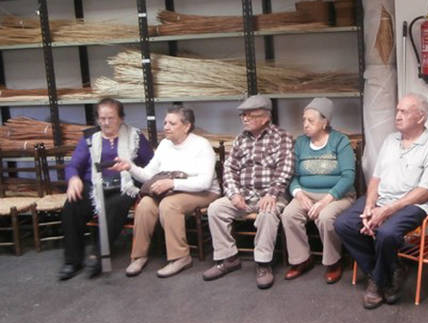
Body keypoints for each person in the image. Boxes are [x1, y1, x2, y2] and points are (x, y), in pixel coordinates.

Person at [334, 93, 428, 309]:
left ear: (421, 116)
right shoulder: (390, 140)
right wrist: (369, 206)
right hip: (382, 199)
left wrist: (386, 211)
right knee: (344, 224)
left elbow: (425, 191)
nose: (397, 116)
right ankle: (392, 269)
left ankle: (377, 281)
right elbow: (376, 179)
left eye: (404, 112)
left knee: (387, 233)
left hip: (414, 205)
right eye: (397, 110)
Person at [111, 106, 220, 278]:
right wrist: (129, 167)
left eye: (172, 123)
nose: (166, 127)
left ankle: (180, 258)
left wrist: (172, 184)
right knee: (146, 204)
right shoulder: (165, 145)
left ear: (186, 126)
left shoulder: (201, 145)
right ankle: (139, 256)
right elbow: (148, 174)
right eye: (165, 122)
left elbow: (204, 183)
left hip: (204, 192)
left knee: (169, 205)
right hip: (172, 190)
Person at [202, 95, 294, 289]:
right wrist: (234, 194)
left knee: (268, 214)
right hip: (244, 195)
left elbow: (285, 169)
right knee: (216, 209)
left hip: (271, 195)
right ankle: (228, 258)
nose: (244, 119)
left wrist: (271, 194)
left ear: (265, 117)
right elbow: (229, 169)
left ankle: (263, 263)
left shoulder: (282, 137)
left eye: (250, 115)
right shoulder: (240, 140)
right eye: (243, 115)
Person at [57, 98, 154, 281]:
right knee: (71, 206)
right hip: (94, 184)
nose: (106, 123)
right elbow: (73, 166)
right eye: (102, 118)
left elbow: (151, 164)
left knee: (115, 204)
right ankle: (72, 261)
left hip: (125, 184)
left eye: (110, 118)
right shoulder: (90, 138)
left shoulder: (135, 136)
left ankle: (98, 256)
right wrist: (74, 179)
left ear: (121, 118)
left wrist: (138, 175)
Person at [280, 98, 356, 284]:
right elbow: (293, 176)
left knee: (325, 216)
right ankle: (301, 260)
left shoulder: (340, 141)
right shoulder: (300, 143)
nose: (305, 125)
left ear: (325, 122)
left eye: (311, 121)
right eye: (304, 120)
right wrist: (298, 193)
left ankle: (333, 262)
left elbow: (348, 177)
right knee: (289, 214)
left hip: (337, 195)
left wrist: (325, 201)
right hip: (306, 193)